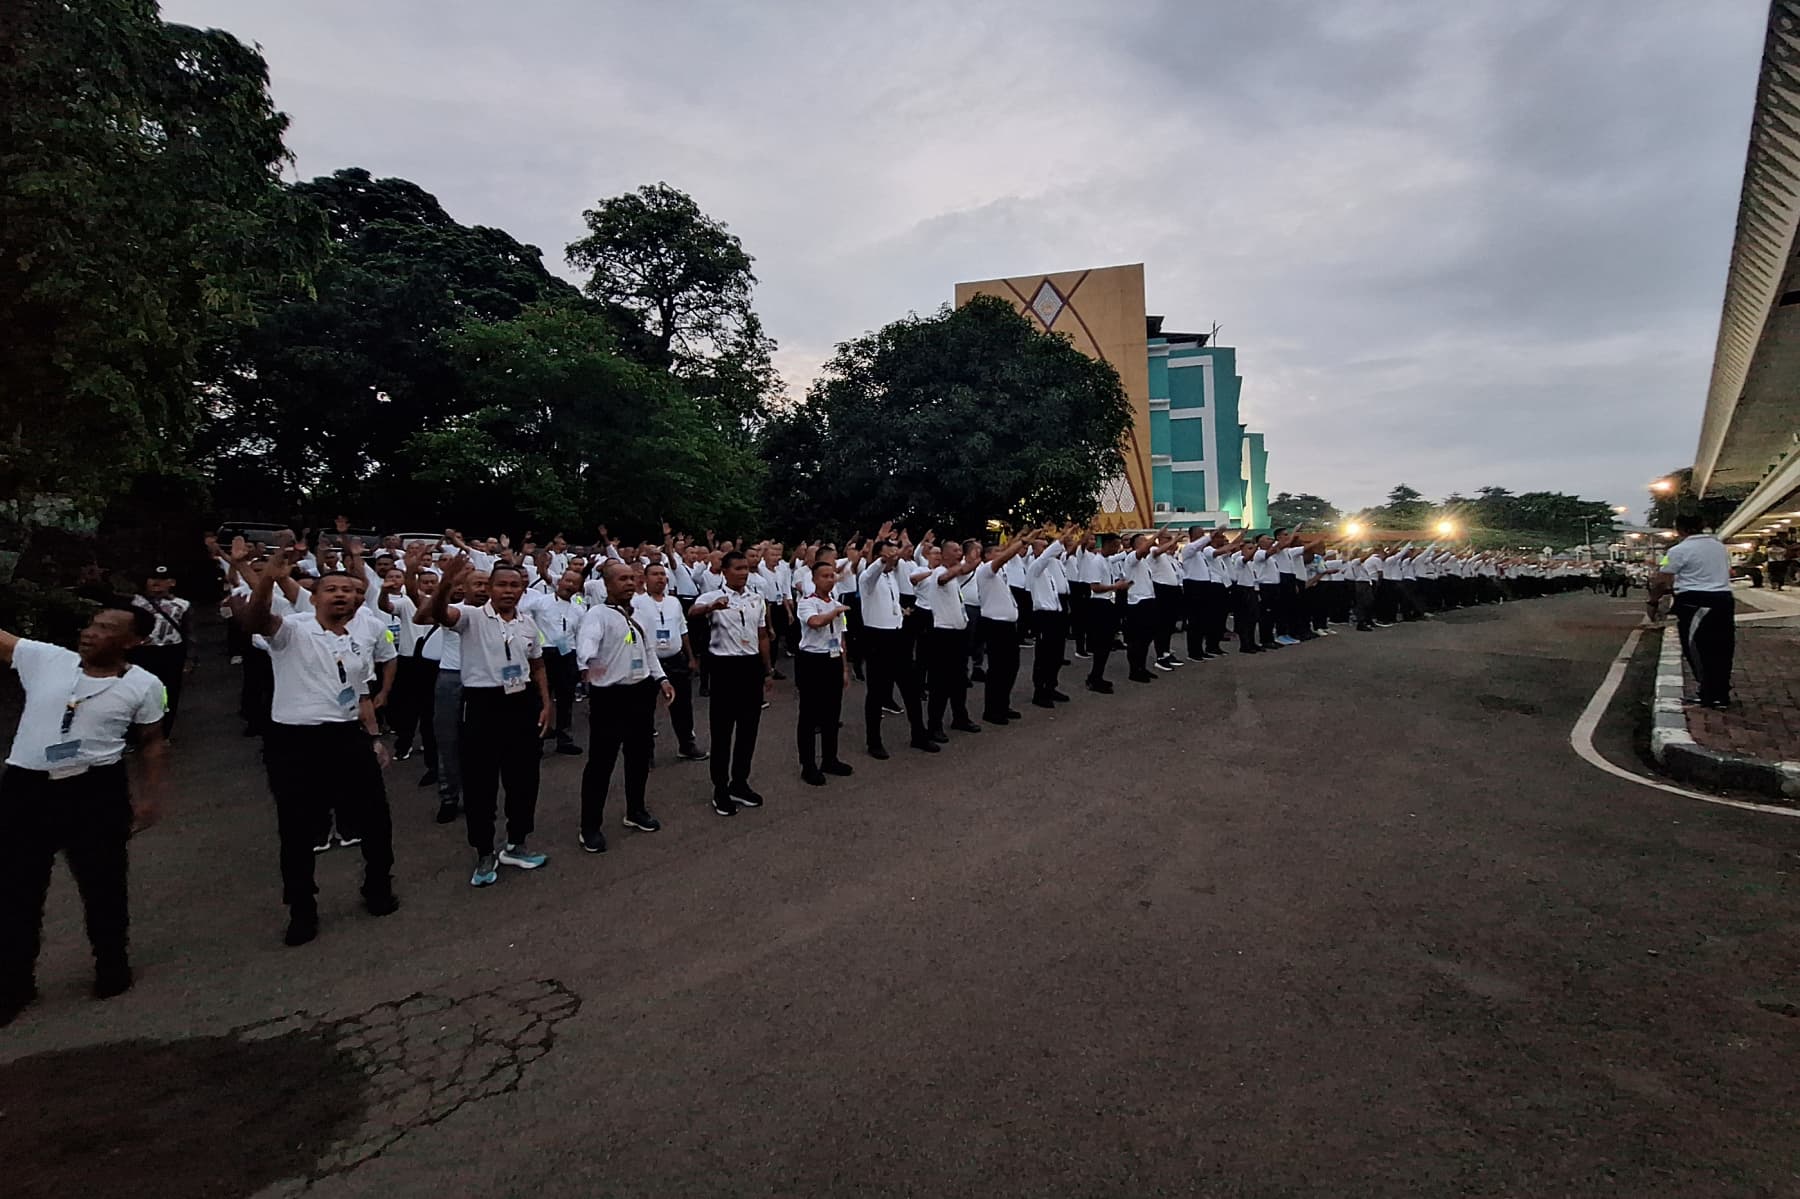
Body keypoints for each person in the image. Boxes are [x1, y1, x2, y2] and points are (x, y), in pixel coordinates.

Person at [0, 605, 168, 1024]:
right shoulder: (49, 659)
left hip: (94, 790)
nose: (91, 633)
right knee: (17, 889)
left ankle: (111, 964)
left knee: (104, 883)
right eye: (92, 624)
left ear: (133, 642)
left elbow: (151, 742)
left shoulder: (145, 685)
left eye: (107, 629)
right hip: (26, 788)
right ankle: (15, 982)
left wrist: (149, 795)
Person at [239, 550, 398, 947]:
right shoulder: (293, 629)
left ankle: (377, 886)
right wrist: (267, 580)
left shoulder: (361, 637)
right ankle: (302, 909)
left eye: (348, 590)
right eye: (331, 589)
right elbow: (257, 620)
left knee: (376, 818)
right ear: (314, 597)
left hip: (348, 736)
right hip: (296, 742)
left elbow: (360, 692)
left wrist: (374, 736)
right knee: (297, 830)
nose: (341, 595)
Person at [424, 558, 552, 888]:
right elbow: (439, 615)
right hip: (482, 705)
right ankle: (483, 852)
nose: (508, 591)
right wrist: (445, 583)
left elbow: (537, 664)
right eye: (501, 585)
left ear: (523, 589)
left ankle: (517, 843)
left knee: (524, 779)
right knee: (481, 783)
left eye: (514, 585)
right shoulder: (471, 617)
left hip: (521, 703)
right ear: (491, 588)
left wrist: (546, 702)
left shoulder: (526, 623)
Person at [576, 561, 674, 852]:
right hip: (610, 698)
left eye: (632, 578)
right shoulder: (597, 615)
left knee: (639, 756)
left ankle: (635, 811)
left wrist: (662, 679)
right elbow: (586, 650)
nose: (629, 583)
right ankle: (589, 827)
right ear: (606, 584)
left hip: (640, 693)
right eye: (621, 579)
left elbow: (648, 651)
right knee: (601, 763)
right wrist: (593, 674)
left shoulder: (640, 613)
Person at [690, 550, 773, 815]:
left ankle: (740, 782)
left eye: (745, 568)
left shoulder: (756, 599)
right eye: (736, 568)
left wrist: (767, 669)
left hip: (750, 666)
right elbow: (692, 613)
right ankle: (720, 788)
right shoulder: (712, 596)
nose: (742, 573)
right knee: (723, 731)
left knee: (749, 729)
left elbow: (761, 635)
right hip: (724, 667)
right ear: (724, 571)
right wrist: (710, 608)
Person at [857, 528, 938, 758]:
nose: (894, 557)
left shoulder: (893, 576)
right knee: (876, 693)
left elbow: (901, 591)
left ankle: (919, 735)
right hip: (877, 639)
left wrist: (900, 612)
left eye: (895, 554)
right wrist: (885, 554)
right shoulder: (867, 577)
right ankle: (874, 741)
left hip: (897, 637)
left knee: (911, 690)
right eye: (888, 554)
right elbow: (875, 571)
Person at [1655, 514, 1735, 710]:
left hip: (1695, 602)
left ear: (1679, 529)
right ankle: (1721, 693)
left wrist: (1653, 601)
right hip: (1724, 599)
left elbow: (1662, 577)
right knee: (1723, 647)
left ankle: (1708, 693)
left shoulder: (1677, 550)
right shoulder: (1719, 547)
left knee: (1697, 648)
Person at [632, 562, 706, 761]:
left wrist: (690, 656)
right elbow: (630, 633)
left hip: (676, 660)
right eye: (655, 574)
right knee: (645, 708)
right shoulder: (636, 603)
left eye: (663, 575)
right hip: (649, 662)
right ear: (645, 579)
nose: (660, 578)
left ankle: (686, 744)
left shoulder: (673, 602)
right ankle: (645, 753)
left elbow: (683, 630)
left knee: (682, 705)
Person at [794, 560, 857, 784]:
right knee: (810, 715)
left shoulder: (835, 602)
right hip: (811, 661)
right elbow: (815, 622)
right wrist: (834, 612)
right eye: (824, 576)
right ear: (814, 579)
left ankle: (830, 758)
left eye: (832, 576)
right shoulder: (807, 602)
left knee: (832, 713)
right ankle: (808, 765)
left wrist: (844, 667)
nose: (829, 580)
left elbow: (841, 637)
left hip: (832, 659)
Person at [522, 558, 587, 757]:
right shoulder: (540, 602)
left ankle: (564, 739)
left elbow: (580, 636)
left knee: (566, 698)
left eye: (574, 583)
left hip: (567, 656)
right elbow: (522, 617)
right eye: (566, 581)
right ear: (559, 581)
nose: (569, 585)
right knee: (540, 698)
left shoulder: (579, 608)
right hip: (544, 654)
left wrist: (582, 663)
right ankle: (537, 740)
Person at [974, 528, 1037, 723]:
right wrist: (1023, 542)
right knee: (998, 669)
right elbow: (1006, 556)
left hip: (1007, 625)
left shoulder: (1000, 573)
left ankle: (1003, 704)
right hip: (995, 625)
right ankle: (992, 710)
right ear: (988, 556)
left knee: (1011, 667)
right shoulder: (985, 570)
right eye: (997, 552)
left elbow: (1006, 554)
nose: (1001, 554)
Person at [923, 541, 984, 740]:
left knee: (959, 680)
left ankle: (960, 717)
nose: (959, 554)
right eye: (956, 550)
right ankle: (934, 725)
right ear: (945, 554)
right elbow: (943, 578)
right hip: (942, 635)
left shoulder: (956, 578)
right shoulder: (938, 573)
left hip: (958, 634)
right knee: (940, 683)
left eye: (961, 550)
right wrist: (962, 566)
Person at [129, 565, 191, 739]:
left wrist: (188, 657)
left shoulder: (182, 605)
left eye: (162, 579)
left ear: (171, 582)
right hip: (142, 653)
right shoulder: (136, 602)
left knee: (168, 692)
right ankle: (135, 734)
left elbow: (187, 631)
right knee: (138, 691)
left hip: (171, 653)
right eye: (153, 578)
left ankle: (163, 732)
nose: (157, 583)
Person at [1027, 531, 1074, 708]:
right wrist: (1060, 539)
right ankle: (1039, 692)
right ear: (1034, 550)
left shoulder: (1048, 570)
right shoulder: (1035, 567)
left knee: (1056, 654)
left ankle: (1051, 686)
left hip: (1056, 613)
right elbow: (1046, 556)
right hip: (1043, 616)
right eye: (1043, 546)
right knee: (1044, 655)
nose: (1047, 550)